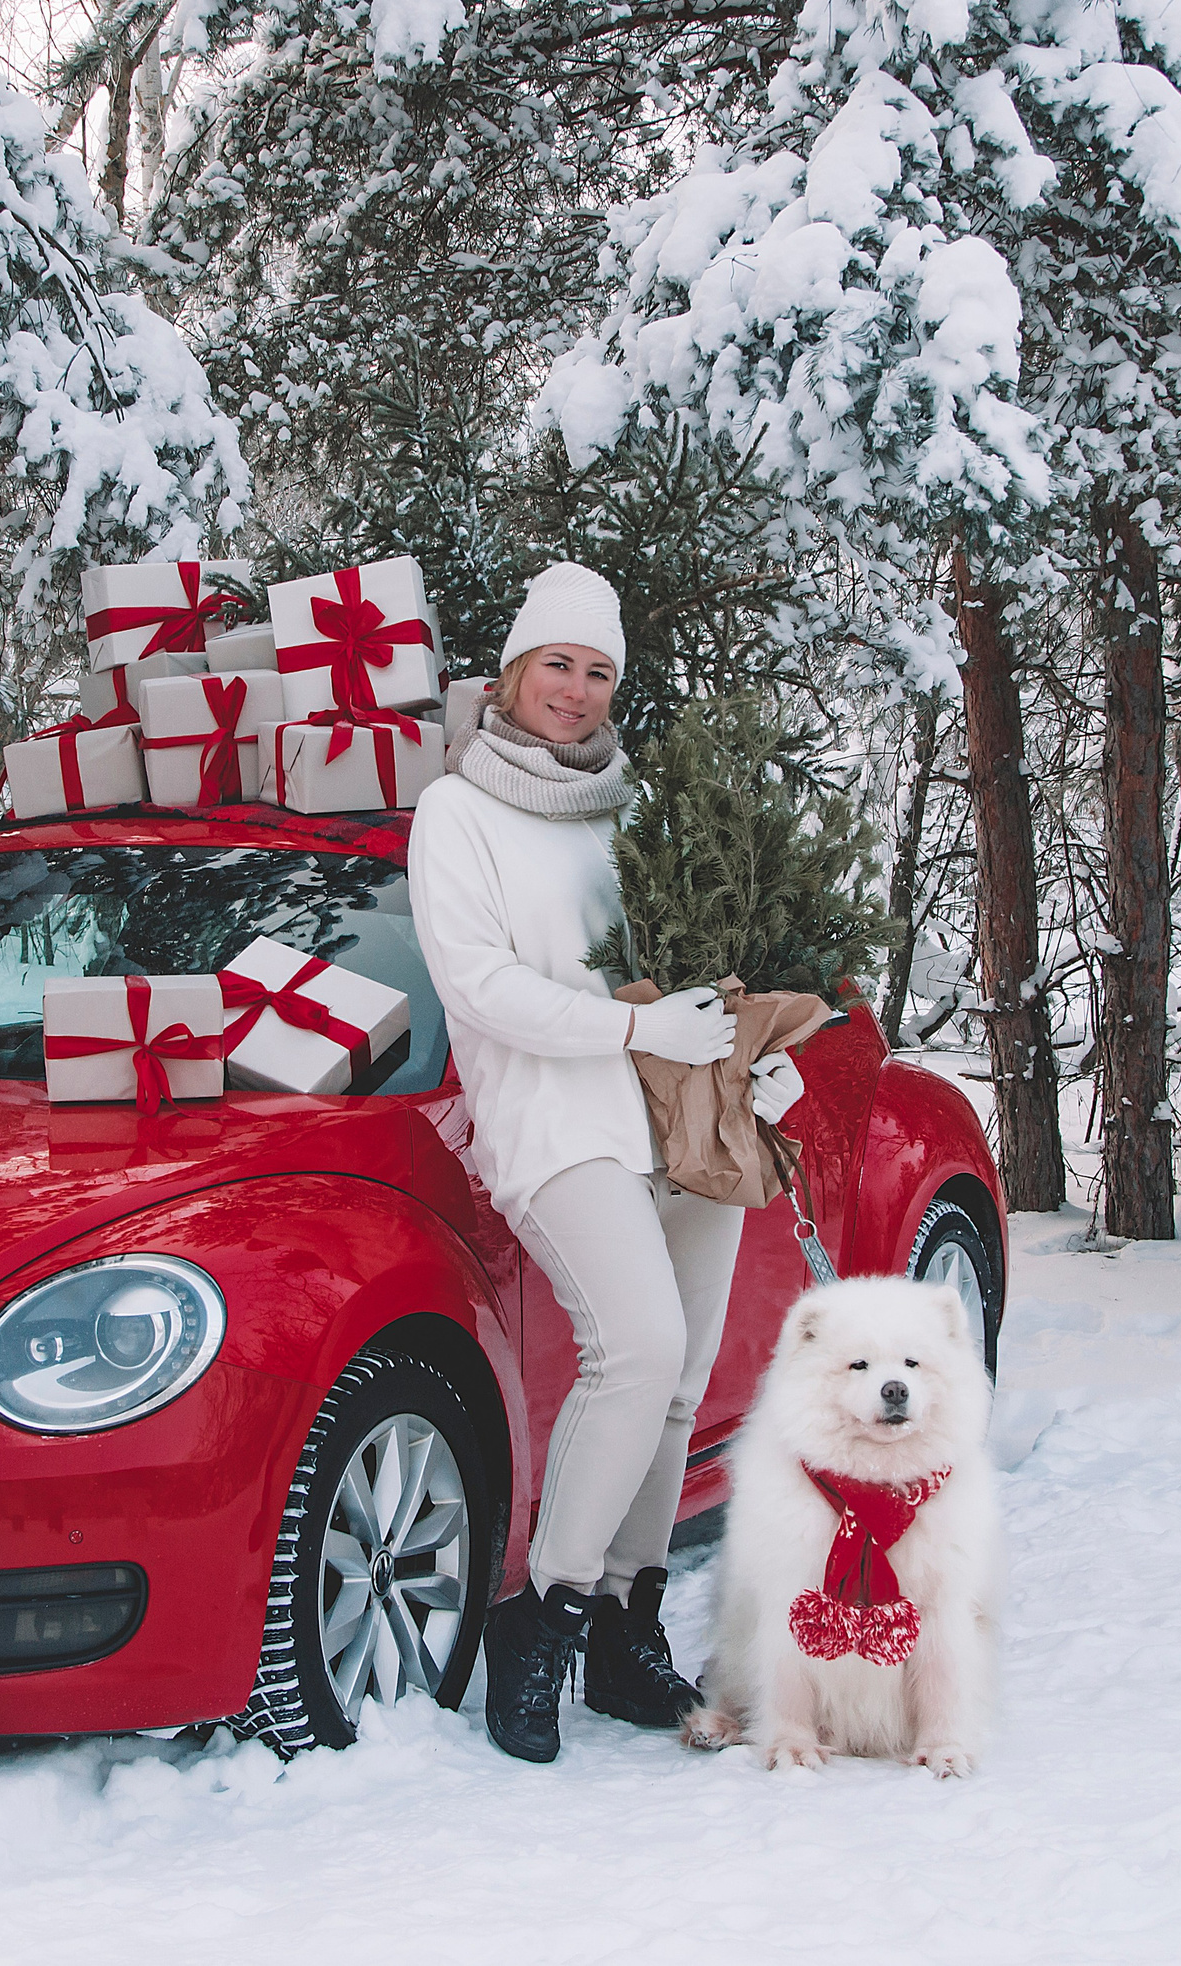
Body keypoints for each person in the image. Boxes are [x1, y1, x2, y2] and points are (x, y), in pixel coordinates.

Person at [408, 561, 806, 1762]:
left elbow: (705, 955)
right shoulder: (457, 813)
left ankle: (628, 1619)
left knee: (677, 1376)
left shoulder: (639, 809)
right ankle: (545, 1615)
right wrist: (638, 1026)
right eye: (555, 665)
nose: (574, 691)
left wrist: (754, 1052)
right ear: (512, 671)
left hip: (682, 1114)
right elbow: (478, 987)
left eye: (596, 672)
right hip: (556, 1118)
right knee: (630, 1346)